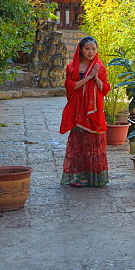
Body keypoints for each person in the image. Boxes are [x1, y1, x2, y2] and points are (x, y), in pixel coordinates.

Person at [59, 36, 110, 187]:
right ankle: (78, 176)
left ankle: (95, 177)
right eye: (87, 49)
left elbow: (105, 89)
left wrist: (96, 78)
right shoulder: (72, 67)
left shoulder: (99, 67)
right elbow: (70, 86)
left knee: (93, 142)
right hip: (77, 108)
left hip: (94, 110)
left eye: (93, 49)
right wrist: (88, 77)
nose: (90, 52)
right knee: (78, 142)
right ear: (80, 50)